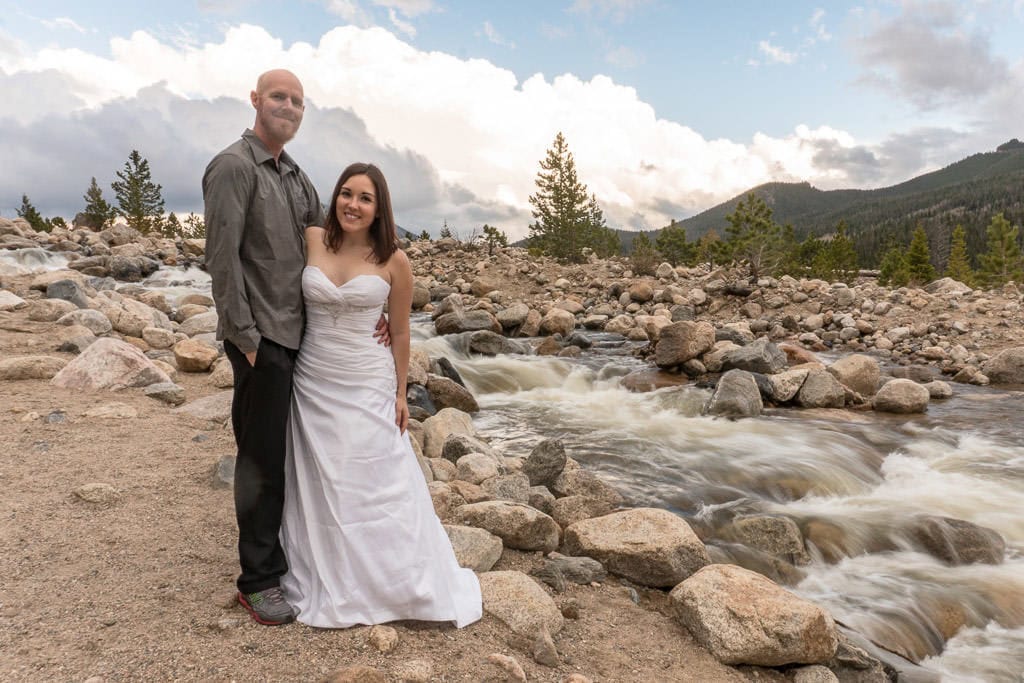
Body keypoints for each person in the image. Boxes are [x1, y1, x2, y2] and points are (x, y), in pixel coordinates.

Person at [203, 70, 388, 626]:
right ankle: (257, 581)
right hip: (266, 340)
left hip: (304, 341)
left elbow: (337, 243)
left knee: (296, 459)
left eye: (297, 101)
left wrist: (375, 301)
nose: (288, 106)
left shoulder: (297, 177)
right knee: (261, 461)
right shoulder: (234, 167)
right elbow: (222, 258)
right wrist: (247, 340)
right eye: (278, 97)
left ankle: (298, 558)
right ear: (256, 101)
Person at [279, 163, 482, 628]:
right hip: (314, 375)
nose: (353, 204)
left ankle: (392, 578)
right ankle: (325, 566)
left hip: (366, 378)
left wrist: (400, 392)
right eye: (346, 194)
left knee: (375, 474)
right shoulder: (311, 240)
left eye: (365, 198)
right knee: (320, 475)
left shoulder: (394, 260)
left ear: (379, 207)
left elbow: (402, 332)